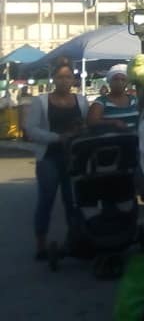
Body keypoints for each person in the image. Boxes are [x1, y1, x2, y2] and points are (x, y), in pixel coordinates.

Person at [24, 59, 89, 260]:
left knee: (73, 202)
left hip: (74, 159)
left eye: (68, 77)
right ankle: (41, 244)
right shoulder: (41, 101)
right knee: (46, 200)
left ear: (73, 79)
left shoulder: (81, 101)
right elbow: (31, 129)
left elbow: (86, 125)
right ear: (53, 79)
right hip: (49, 158)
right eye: (60, 77)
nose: (64, 81)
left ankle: (76, 239)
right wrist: (57, 138)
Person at [87, 64, 138, 131]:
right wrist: (112, 122)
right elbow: (91, 122)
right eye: (115, 79)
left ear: (127, 83)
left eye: (123, 80)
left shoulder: (134, 100)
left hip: (134, 140)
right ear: (109, 82)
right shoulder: (101, 102)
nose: (119, 82)